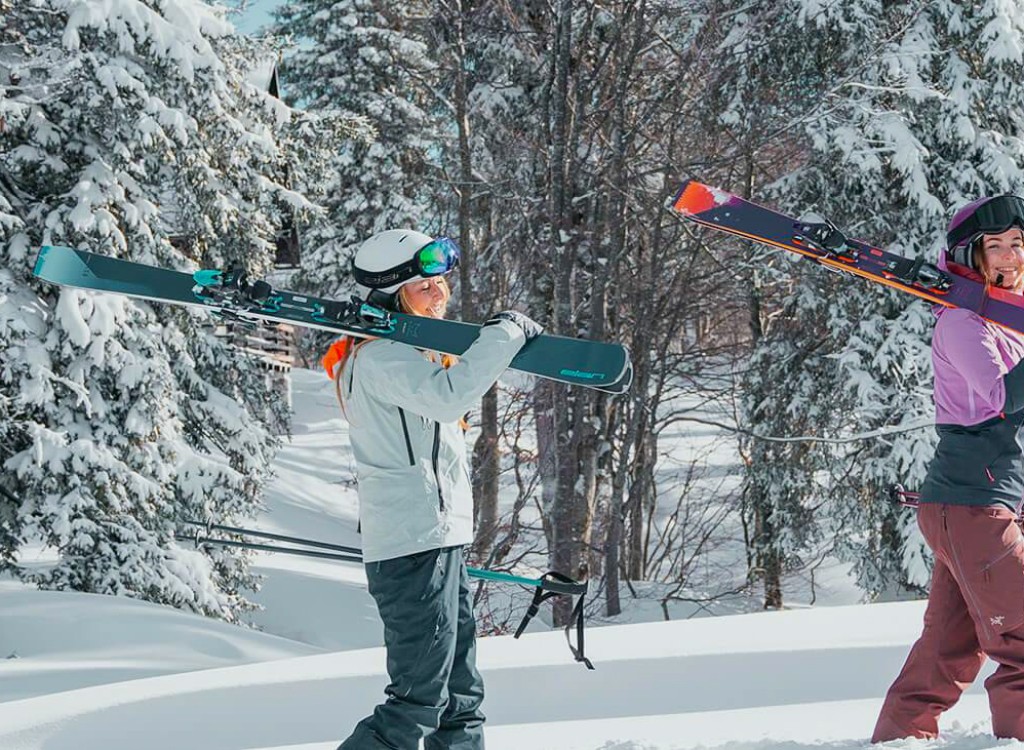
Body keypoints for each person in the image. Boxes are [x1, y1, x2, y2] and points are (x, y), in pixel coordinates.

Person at [323, 229, 542, 750]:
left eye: (441, 282)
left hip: (438, 541)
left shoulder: (411, 356)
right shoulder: (378, 359)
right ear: (393, 295)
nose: (440, 292)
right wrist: (505, 334)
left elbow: (454, 390)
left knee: (459, 699)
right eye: (425, 287)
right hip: (410, 548)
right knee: (417, 702)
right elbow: (449, 398)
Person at [873, 195, 1024, 742]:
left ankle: (900, 737)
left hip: (974, 505)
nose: (1009, 256)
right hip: (974, 506)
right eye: (995, 246)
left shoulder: (1008, 322)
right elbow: (1000, 397)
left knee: (947, 650)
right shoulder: (963, 323)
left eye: (1017, 244)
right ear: (970, 254)